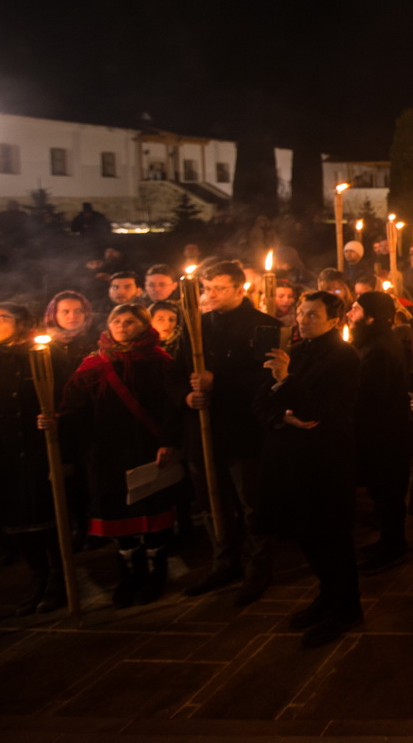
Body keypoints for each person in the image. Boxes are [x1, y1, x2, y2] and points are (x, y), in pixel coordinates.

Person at [57, 304, 187, 607]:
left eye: (130, 321)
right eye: (116, 320)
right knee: (119, 515)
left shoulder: (162, 362)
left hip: (148, 447)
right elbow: (73, 407)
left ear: (143, 326)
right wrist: (57, 422)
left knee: (153, 514)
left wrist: (169, 441)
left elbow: (172, 405)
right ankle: (130, 575)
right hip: (108, 452)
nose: (122, 326)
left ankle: (156, 574)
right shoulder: (93, 364)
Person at [255, 290, 363, 648]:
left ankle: (346, 607)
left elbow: (319, 407)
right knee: (306, 533)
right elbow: (260, 401)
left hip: (325, 461)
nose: (303, 319)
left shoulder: (344, 356)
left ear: (334, 320)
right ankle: (326, 596)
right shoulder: (296, 352)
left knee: (331, 536)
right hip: (291, 460)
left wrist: (287, 380)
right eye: (301, 313)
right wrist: (282, 416)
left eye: (313, 314)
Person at [180, 259, 282, 605]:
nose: (211, 295)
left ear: (241, 289)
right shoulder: (195, 324)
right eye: (206, 289)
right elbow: (177, 371)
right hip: (204, 430)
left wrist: (218, 383)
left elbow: (267, 379)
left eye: (219, 288)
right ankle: (224, 560)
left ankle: (258, 566)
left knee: (251, 501)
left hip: (243, 431)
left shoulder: (263, 326)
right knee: (212, 498)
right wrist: (188, 394)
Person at [0, 303, 69, 614]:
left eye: (1, 319)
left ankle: (59, 576)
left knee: (46, 516)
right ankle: (38, 576)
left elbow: (67, 397)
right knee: (19, 520)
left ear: (21, 322)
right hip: (5, 453)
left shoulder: (44, 355)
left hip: (40, 448)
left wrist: (57, 418)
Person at [348, 292, 413, 573]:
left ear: (371, 316)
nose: (350, 314)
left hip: (385, 436)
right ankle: (389, 541)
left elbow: (371, 395)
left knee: (388, 494)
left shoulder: (377, 348)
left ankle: (393, 546)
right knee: (384, 494)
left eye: (356, 309)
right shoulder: (376, 342)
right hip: (385, 433)